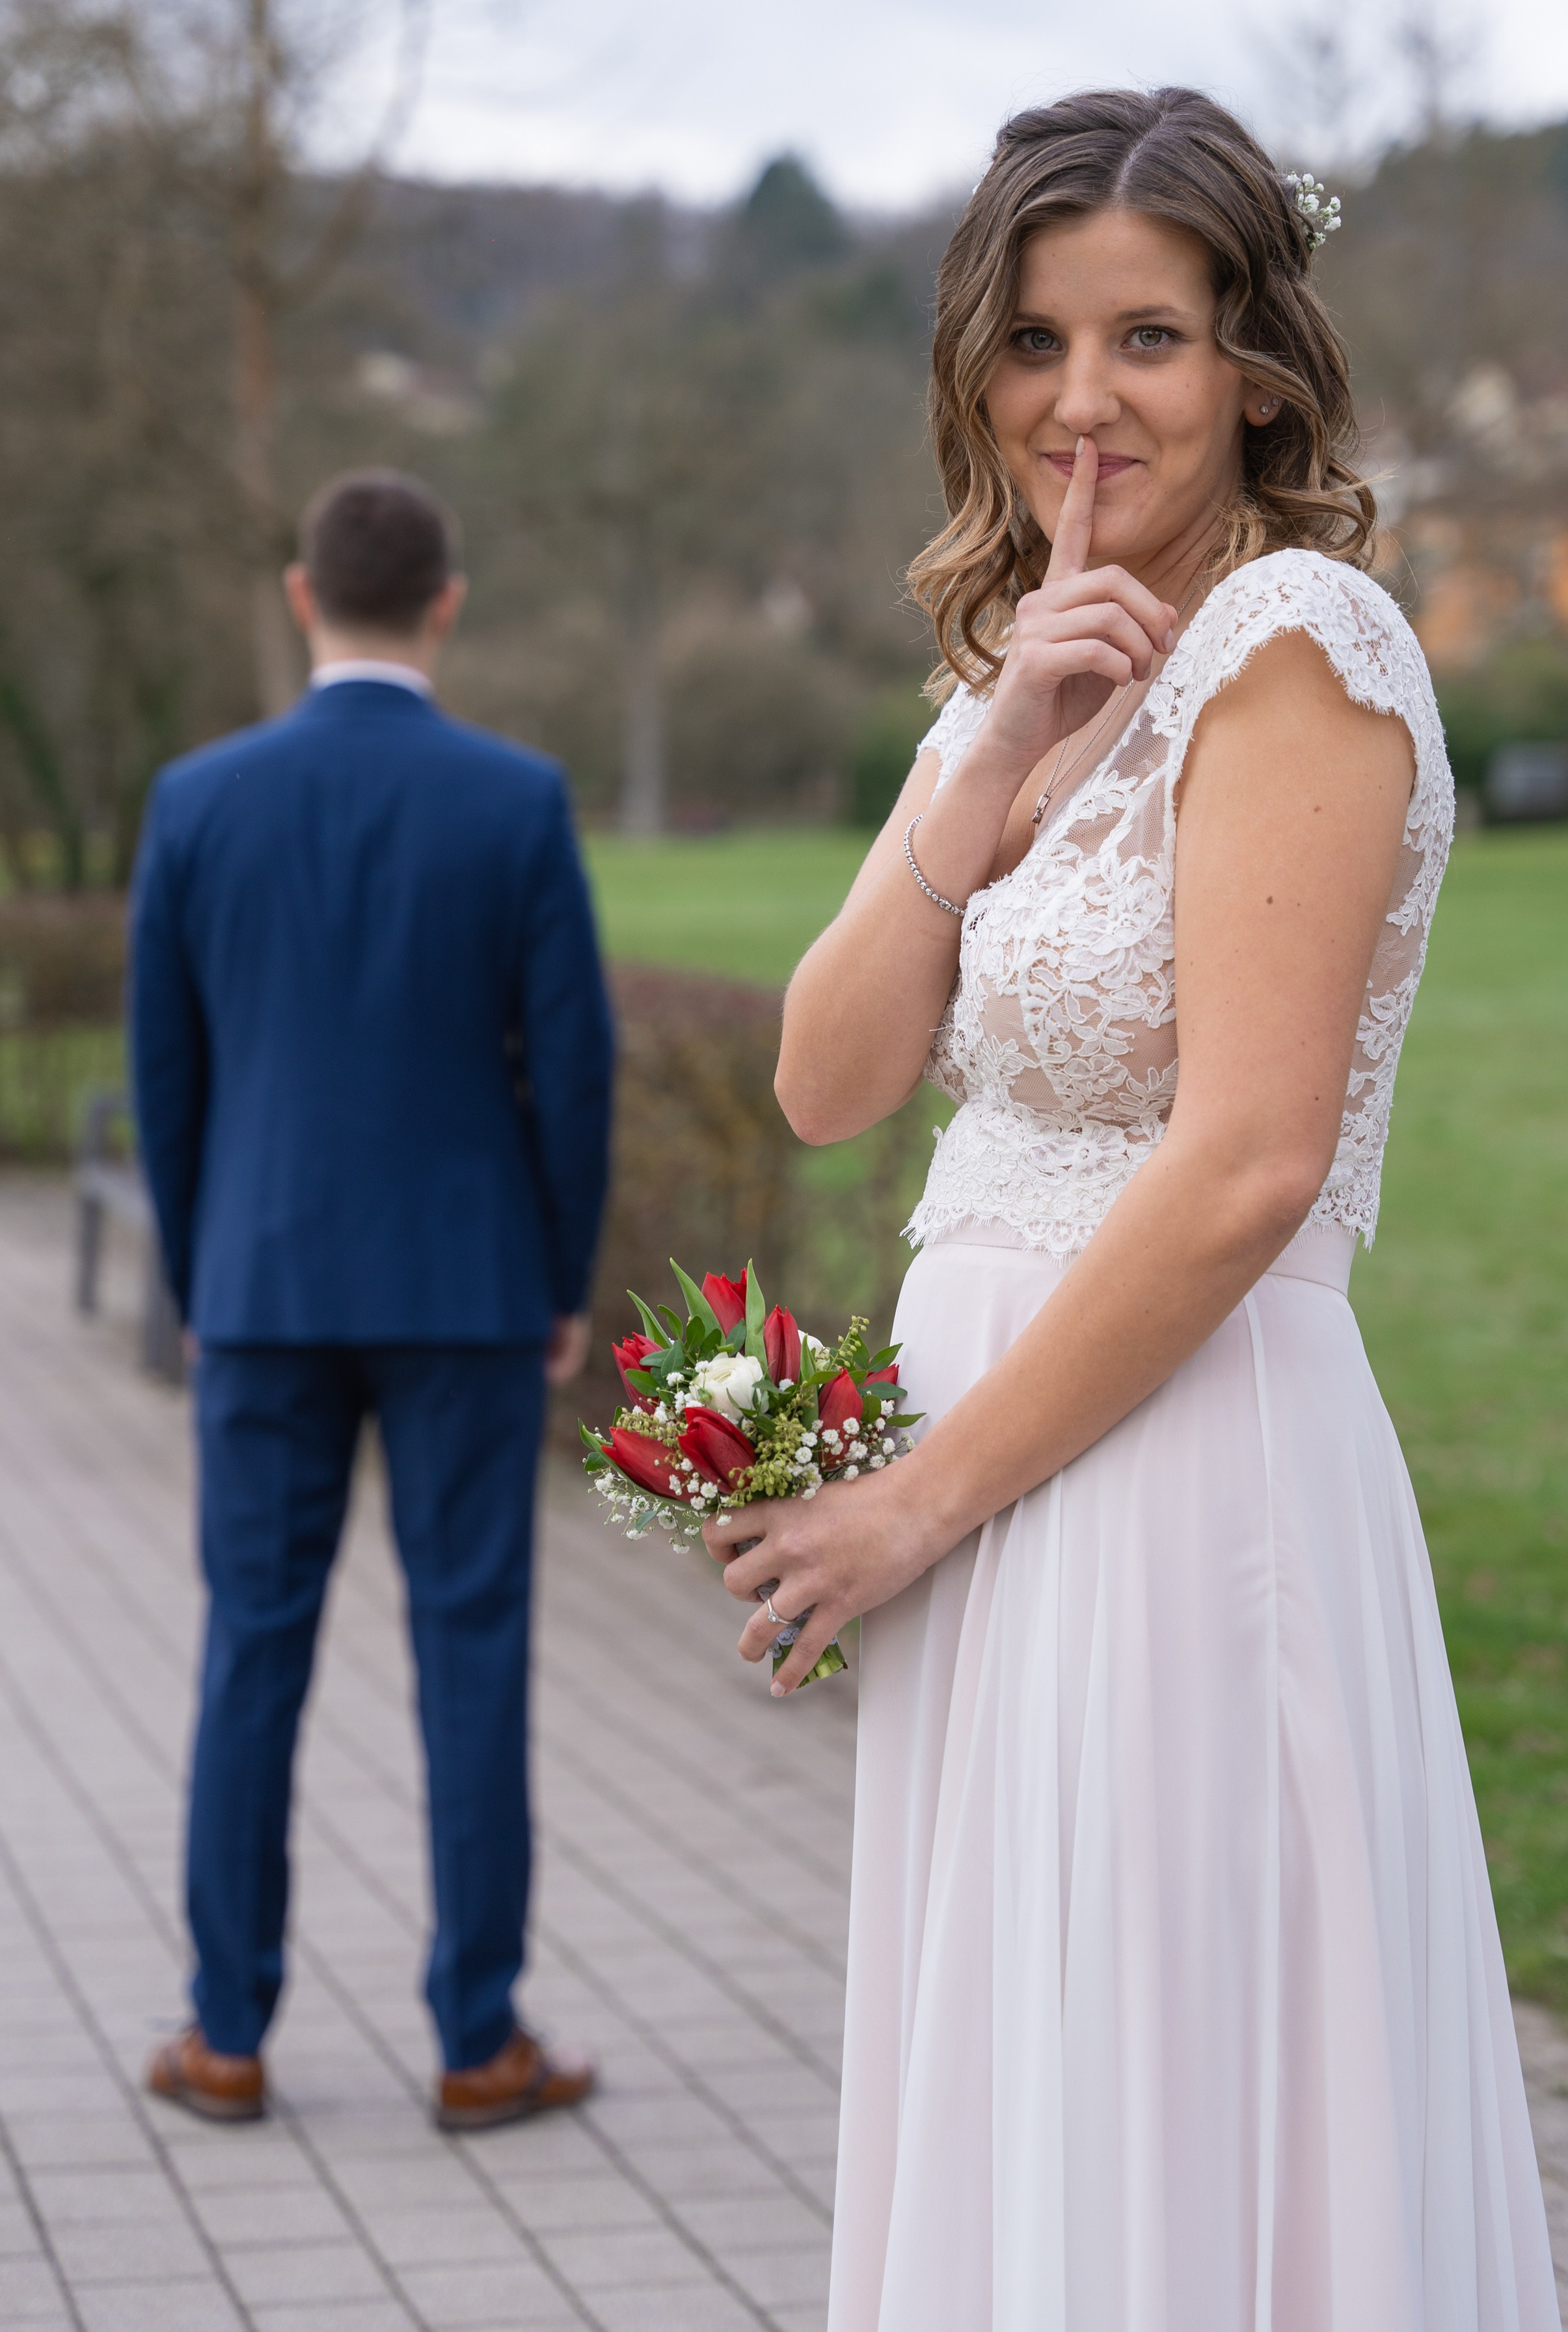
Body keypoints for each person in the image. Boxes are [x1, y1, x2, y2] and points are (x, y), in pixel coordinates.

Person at [713, 88, 1560, 2329]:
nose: (1082, 398)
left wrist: (907, 1509)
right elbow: (826, 1081)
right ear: (975, 364)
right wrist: (985, 764)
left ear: (1258, 363)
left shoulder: (1297, 644)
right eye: (1035, 339)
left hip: (1180, 1481)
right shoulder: (1017, 661)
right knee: (1037, 2101)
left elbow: (1253, 1160)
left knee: (1185, 2103)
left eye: (1151, 340)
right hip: (1007, 1515)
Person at [130, 468, 612, 2130]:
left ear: (299, 595)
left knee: (249, 1649)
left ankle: (227, 2030)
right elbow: (577, 1064)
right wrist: (559, 1279)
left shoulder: (196, 801)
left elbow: (165, 1075)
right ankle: (478, 2038)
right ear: (447, 604)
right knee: (470, 1647)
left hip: (260, 1286)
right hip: (468, 1289)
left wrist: (199, 1278)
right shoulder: (516, 798)